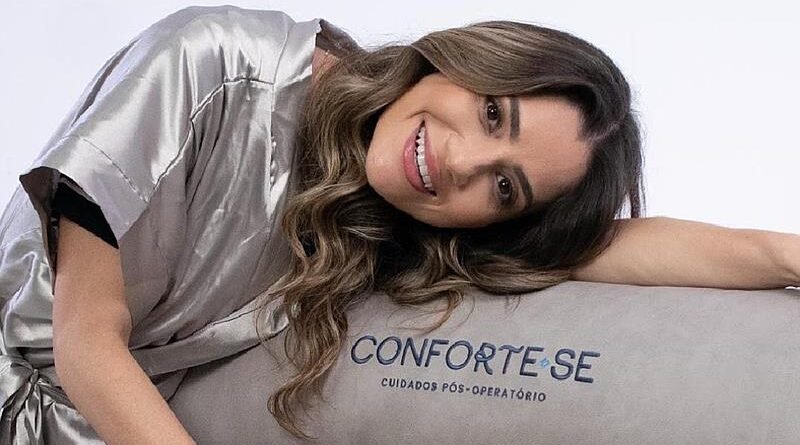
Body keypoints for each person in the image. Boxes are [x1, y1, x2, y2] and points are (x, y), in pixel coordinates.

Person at [0, 5, 797, 444]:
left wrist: (784, 253)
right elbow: (85, 341)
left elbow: (605, 248)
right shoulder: (214, 62)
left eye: (506, 186)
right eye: (493, 113)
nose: (460, 161)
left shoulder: (400, 225)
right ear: (465, 59)